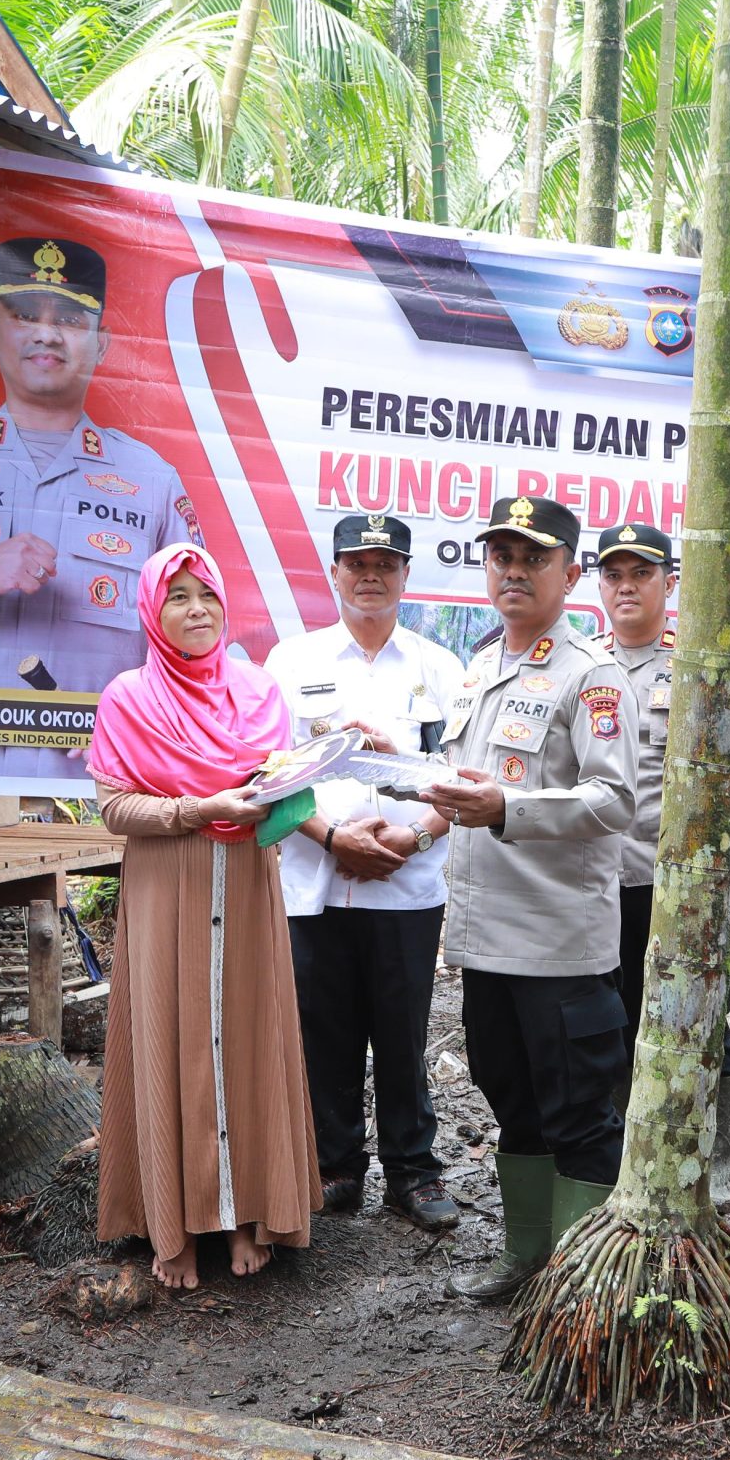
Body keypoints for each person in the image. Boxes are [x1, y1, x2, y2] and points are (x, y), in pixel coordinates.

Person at [0, 237, 204, 782]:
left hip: (97, 780)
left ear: (101, 344)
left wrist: (147, 727)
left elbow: (195, 628)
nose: (47, 334)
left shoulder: (151, 478)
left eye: (70, 320)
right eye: (25, 315)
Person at [419, 496, 635, 1301]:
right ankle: (527, 1261)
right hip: (486, 940)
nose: (514, 571)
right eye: (502, 556)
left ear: (570, 574)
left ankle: (583, 1289)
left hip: (558, 945)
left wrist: (507, 808)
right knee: (512, 1103)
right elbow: (465, 787)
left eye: (534, 557)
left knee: (580, 1115)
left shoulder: (592, 675)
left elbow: (614, 800)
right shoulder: (481, 667)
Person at [86, 543, 318, 1287]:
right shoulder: (130, 696)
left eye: (207, 595)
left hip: (247, 880)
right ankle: (175, 1224)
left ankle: (249, 1213)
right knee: (169, 1033)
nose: (196, 610)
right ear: (153, 611)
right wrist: (197, 808)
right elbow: (115, 809)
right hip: (167, 881)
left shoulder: (259, 692)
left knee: (248, 1032)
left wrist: (307, 779)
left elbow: (288, 793)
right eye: (178, 597)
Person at [263, 516, 463, 1230]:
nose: (371, 575)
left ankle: (414, 1173)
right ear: (334, 573)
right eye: (357, 563)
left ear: (406, 574)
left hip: (408, 883)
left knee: (404, 1037)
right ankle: (336, 1165)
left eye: (386, 563)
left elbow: (462, 780)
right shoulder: (291, 663)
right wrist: (331, 837)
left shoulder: (441, 669)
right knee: (323, 1032)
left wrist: (414, 835)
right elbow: (268, 776)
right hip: (314, 882)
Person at [592, 521, 730, 1197]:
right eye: (614, 574)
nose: (626, 587)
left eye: (641, 573)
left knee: (699, 1014)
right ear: (598, 585)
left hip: (682, 882)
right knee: (610, 1016)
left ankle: (713, 1168)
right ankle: (629, 1160)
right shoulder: (585, 665)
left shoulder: (699, 661)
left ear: (670, 583)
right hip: (598, 881)